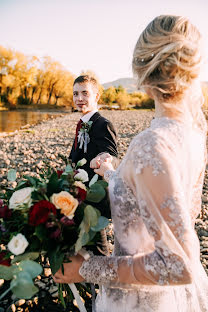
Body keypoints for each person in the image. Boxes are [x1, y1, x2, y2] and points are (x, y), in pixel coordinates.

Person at [53, 15, 208, 311]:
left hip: (142, 299)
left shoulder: (151, 143)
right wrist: (113, 174)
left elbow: (178, 265)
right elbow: (165, 203)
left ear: (143, 70)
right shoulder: (194, 136)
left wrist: (85, 268)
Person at [69, 74, 118, 218]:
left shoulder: (103, 124)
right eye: (75, 94)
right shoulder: (83, 123)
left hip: (96, 196)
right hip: (81, 193)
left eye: (85, 93)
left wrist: (105, 158)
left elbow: (112, 155)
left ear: (96, 97)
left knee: (98, 239)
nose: (79, 98)